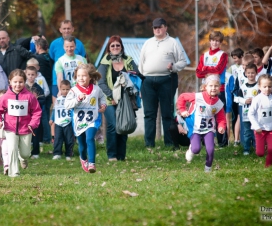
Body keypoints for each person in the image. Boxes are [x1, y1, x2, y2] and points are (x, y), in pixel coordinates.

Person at [139, 18, 187, 148]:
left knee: (167, 113)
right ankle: (149, 144)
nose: (157, 30)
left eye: (160, 27)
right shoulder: (147, 43)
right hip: (148, 81)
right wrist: (142, 83)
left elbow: (182, 61)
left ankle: (170, 143)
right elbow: (141, 64)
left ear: (166, 27)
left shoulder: (173, 43)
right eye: (155, 28)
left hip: (167, 79)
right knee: (149, 114)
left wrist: (173, 67)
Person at [98, 35, 141, 161]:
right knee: (113, 125)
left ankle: (121, 156)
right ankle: (112, 155)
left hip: (126, 99)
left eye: (118, 45)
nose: (115, 47)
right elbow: (101, 82)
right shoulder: (104, 62)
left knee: (124, 124)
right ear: (109, 48)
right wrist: (112, 96)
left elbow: (136, 75)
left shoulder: (128, 60)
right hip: (109, 99)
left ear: (121, 47)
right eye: (113, 45)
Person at [0, 69, 42, 177]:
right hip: (10, 128)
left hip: (26, 129)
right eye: (15, 82)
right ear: (10, 81)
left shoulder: (29, 97)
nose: (18, 84)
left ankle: (23, 158)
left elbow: (37, 112)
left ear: (24, 82)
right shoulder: (5, 97)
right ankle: (14, 172)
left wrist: (32, 124)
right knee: (12, 149)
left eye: (20, 82)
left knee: (25, 153)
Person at [177, 74, 227, 172]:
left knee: (210, 149)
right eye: (211, 86)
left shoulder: (219, 103)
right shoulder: (198, 97)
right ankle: (191, 149)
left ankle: (207, 169)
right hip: (195, 127)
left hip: (208, 129)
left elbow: (221, 118)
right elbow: (182, 97)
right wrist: (182, 110)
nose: (213, 88)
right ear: (205, 87)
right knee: (196, 149)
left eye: (216, 86)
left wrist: (221, 126)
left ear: (219, 88)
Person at [65, 64, 107, 173]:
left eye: (84, 76)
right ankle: (83, 159)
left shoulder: (96, 89)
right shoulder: (74, 91)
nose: (81, 78)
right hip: (79, 122)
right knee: (82, 146)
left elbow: (102, 97)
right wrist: (77, 99)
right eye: (78, 76)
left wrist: (103, 105)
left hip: (92, 120)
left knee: (90, 139)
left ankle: (92, 163)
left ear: (90, 77)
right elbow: (67, 105)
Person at [196, 30, 228, 147]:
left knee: (220, 114)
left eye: (218, 41)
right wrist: (207, 69)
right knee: (205, 114)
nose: (215, 43)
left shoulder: (223, 55)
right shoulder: (204, 55)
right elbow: (198, 73)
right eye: (213, 40)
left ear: (220, 42)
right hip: (206, 90)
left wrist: (206, 68)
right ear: (210, 41)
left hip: (220, 88)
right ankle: (206, 141)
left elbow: (219, 69)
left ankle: (222, 142)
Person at [248, 74, 272, 167]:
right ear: (259, 87)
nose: (267, 89)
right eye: (264, 87)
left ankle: (268, 166)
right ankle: (261, 148)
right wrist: (256, 127)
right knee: (260, 153)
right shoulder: (257, 99)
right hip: (260, 130)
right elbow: (250, 114)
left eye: (269, 86)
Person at [49, 20, 86, 98]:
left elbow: (83, 60)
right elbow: (52, 59)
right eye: (64, 28)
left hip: (76, 82)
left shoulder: (79, 44)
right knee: (58, 107)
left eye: (68, 28)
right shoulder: (54, 44)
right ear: (60, 30)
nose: (66, 31)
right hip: (57, 81)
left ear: (72, 29)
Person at [234, 63, 258, 155]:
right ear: (245, 73)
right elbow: (237, 98)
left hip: (256, 115)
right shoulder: (243, 87)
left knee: (256, 131)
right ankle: (246, 149)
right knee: (247, 132)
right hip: (246, 114)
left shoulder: (259, 86)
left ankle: (257, 148)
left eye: (252, 73)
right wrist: (244, 101)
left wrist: (254, 100)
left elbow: (262, 98)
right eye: (249, 73)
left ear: (256, 73)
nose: (251, 75)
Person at [50, 80, 74, 161]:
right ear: (60, 89)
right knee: (58, 139)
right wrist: (52, 119)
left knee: (69, 139)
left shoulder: (72, 99)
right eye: (63, 89)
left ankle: (69, 154)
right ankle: (57, 153)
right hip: (59, 123)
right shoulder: (58, 99)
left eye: (67, 89)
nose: (65, 91)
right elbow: (54, 110)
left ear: (70, 89)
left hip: (68, 122)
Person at [25, 66, 45, 159]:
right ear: (25, 74)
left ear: (36, 75)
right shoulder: (23, 87)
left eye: (32, 75)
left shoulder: (38, 87)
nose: (30, 76)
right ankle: (25, 151)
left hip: (34, 115)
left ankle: (36, 152)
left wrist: (36, 100)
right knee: (25, 134)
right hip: (24, 115)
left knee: (35, 133)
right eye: (28, 74)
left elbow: (43, 99)